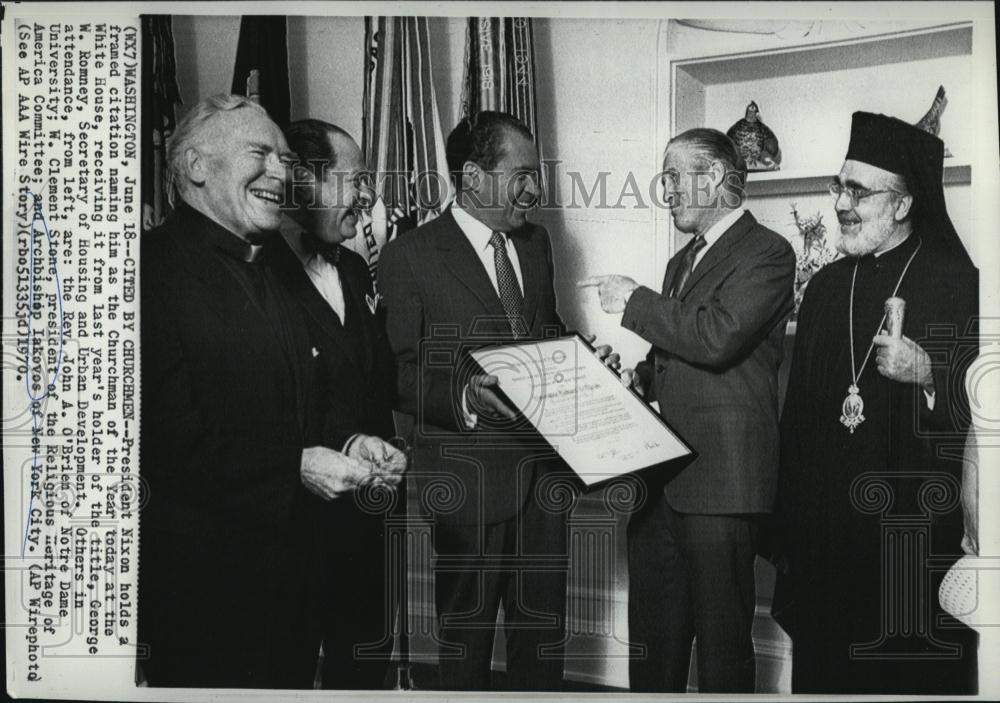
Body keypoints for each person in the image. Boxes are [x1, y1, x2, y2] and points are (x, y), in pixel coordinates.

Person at [138, 95, 403, 688]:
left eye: (286, 159)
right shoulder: (147, 272)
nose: (282, 175)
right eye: (261, 154)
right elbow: (166, 443)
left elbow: (306, 404)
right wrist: (297, 467)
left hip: (291, 585)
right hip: (208, 596)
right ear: (198, 166)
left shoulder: (264, 268)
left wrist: (355, 442)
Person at [380, 111, 617, 691]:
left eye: (537, 175)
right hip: (468, 485)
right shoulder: (409, 255)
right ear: (473, 176)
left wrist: (590, 366)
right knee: (466, 650)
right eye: (522, 175)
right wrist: (464, 394)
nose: (535, 190)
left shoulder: (534, 245)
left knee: (542, 647)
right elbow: (395, 371)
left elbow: (546, 329)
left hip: (543, 481)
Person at [579, 128, 796, 693]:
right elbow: (672, 357)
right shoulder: (682, 261)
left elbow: (717, 337)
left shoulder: (769, 253)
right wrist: (632, 378)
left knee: (723, 650)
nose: (666, 190)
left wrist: (633, 300)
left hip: (723, 486)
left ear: (717, 178)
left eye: (674, 177)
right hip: (662, 482)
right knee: (653, 644)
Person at [772, 111, 978, 694]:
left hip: (908, 538)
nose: (841, 202)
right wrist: (791, 526)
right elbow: (801, 419)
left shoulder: (959, 283)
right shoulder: (827, 287)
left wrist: (929, 373)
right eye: (840, 186)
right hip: (828, 536)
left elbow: (986, 423)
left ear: (904, 205)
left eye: (858, 191)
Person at [270, 118, 402, 689]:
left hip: (364, 523)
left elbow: (371, 382)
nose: (368, 198)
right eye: (355, 181)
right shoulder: (257, 275)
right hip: (290, 534)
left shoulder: (352, 267)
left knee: (364, 668)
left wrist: (377, 444)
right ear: (304, 185)